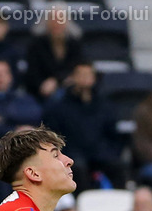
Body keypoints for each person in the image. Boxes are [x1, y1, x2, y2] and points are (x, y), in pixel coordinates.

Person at [42, 60, 124, 191]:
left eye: (88, 75)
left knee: (117, 164)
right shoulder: (60, 106)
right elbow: (53, 135)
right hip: (72, 153)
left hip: (100, 152)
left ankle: (121, 201)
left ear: (94, 78)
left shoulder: (105, 105)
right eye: (81, 74)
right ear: (73, 77)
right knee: (78, 167)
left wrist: (110, 151)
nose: (85, 79)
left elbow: (113, 135)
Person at [24, 1, 85, 101]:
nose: (56, 23)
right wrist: (43, 85)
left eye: (60, 18)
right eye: (53, 18)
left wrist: (57, 81)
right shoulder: (36, 45)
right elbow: (33, 73)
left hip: (70, 88)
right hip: (41, 92)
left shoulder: (74, 44)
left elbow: (76, 67)